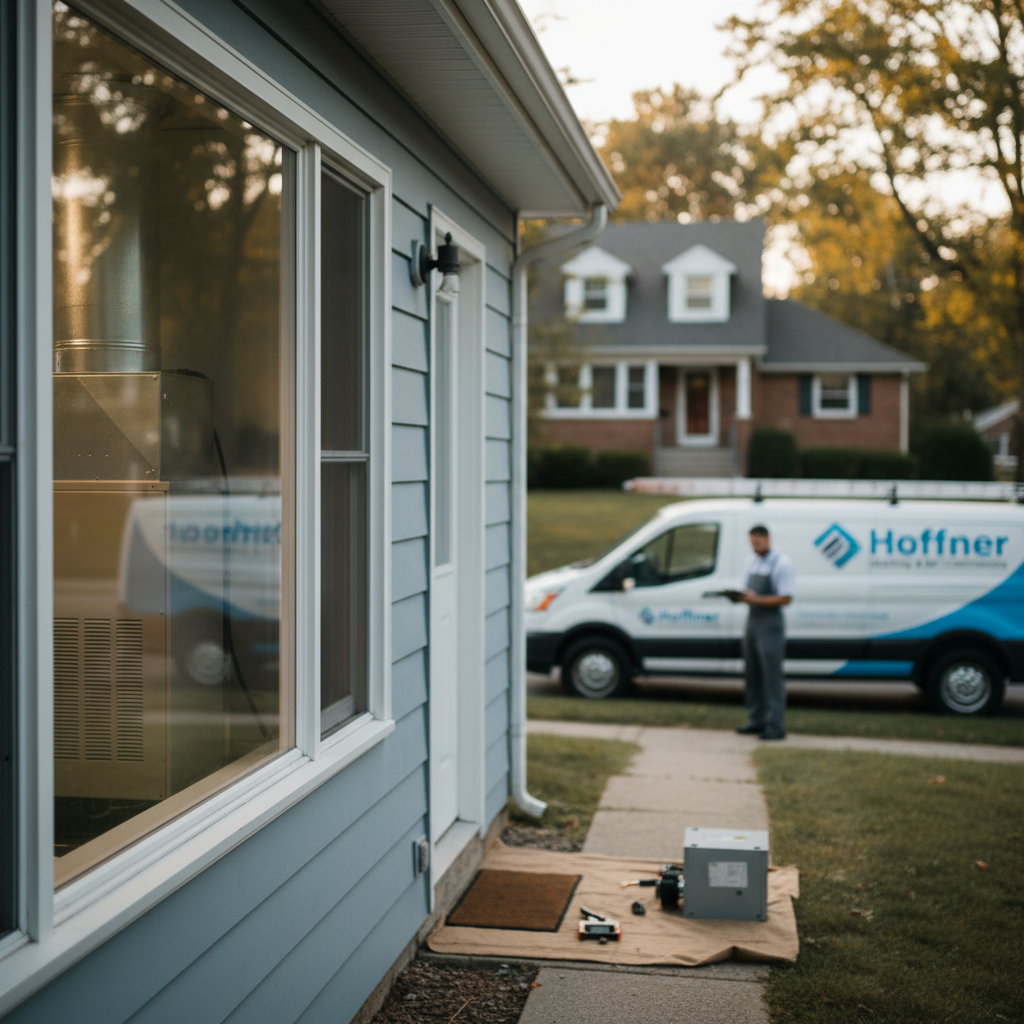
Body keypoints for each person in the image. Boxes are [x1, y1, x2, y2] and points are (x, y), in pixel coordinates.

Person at [733, 525, 795, 740]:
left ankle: (776, 725)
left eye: (758, 542)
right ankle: (757, 719)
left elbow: (786, 597)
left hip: (770, 623)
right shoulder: (752, 561)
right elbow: (747, 590)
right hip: (752, 621)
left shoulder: (781, 563)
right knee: (753, 673)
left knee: (771, 675)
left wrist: (756, 599)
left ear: (767, 539)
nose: (755, 546)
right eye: (752, 543)